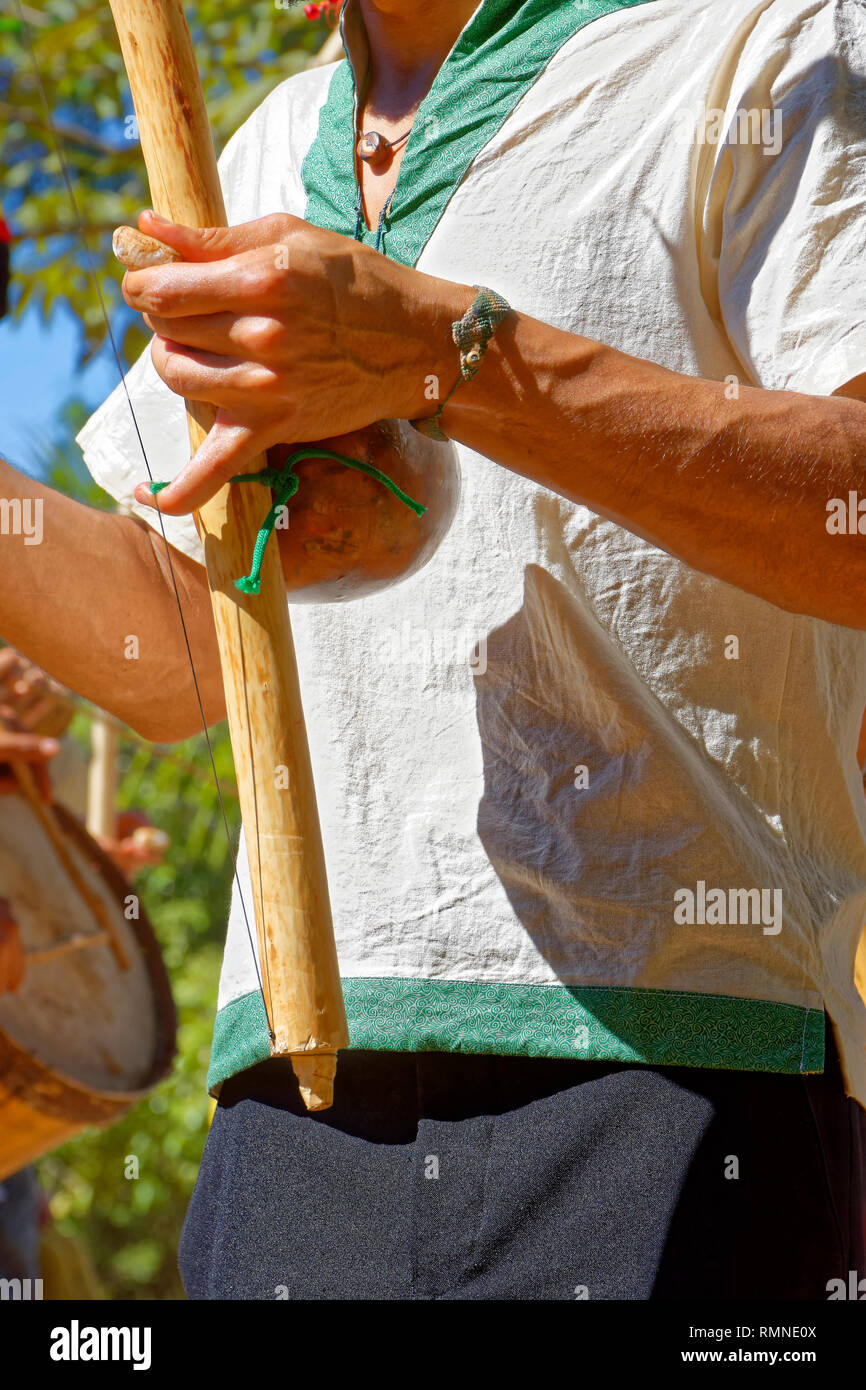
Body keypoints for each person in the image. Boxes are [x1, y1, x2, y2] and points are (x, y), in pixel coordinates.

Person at [4, 0, 866, 1298]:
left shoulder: (764, 39)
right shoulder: (266, 140)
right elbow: (181, 650)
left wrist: (441, 355)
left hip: (685, 1063)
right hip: (293, 1103)